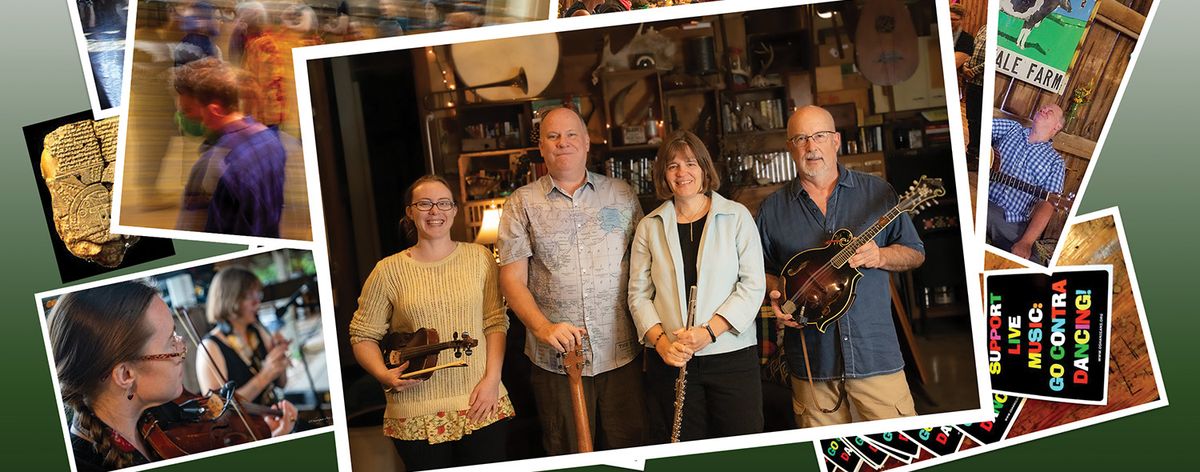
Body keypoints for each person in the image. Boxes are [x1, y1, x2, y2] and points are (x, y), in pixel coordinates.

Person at [757, 106, 925, 428]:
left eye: (819, 136)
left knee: (903, 452)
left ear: (836, 141)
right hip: (811, 363)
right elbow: (759, 272)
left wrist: (881, 257)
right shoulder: (772, 210)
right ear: (790, 147)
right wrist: (776, 293)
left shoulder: (877, 193)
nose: (811, 146)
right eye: (801, 138)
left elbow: (915, 253)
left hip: (875, 356)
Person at [498, 107, 645, 454]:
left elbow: (645, 268)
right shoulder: (521, 204)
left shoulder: (622, 194)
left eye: (571, 135)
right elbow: (512, 281)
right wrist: (543, 328)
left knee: (632, 449)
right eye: (552, 136)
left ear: (587, 142)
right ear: (542, 148)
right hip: (555, 361)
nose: (562, 143)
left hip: (621, 353)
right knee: (566, 451)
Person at [349, 175, 513, 470]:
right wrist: (383, 375)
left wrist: (492, 379)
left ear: (454, 210)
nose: (434, 211)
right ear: (410, 212)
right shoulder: (388, 271)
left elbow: (495, 322)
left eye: (443, 203)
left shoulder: (480, 258)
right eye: (424, 204)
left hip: (480, 401)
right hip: (415, 411)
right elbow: (362, 335)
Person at [50, 282, 295, 472]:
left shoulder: (158, 411)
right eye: (171, 342)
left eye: (177, 334)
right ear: (125, 374)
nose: (182, 349)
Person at [628, 131, 766, 442]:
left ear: (704, 167)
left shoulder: (736, 216)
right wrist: (662, 343)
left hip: (731, 355)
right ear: (663, 174)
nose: (682, 173)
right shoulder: (649, 226)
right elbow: (638, 295)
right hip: (672, 359)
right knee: (688, 454)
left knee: (742, 451)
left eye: (690, 163)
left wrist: (709, 332)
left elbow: (753, 285)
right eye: (672, 165)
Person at [172, 57, 288, 237]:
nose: (182, 119)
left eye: (187, 110)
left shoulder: (212, 165)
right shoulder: (270, 140)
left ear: (213, 109)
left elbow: (190, 236)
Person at [195, 267, 290, 407]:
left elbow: (282, 384)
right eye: (249, 296)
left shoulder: (257, 331)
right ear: (230, 300)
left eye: (258, 294)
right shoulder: (210, 347)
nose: (257, 302)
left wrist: (279, 361)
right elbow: (217, 409)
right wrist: (264, 376)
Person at [987, 104, 1066, 261]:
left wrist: (1026, 242)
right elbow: (980, 129)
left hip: (1011, 220)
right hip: (983, 199)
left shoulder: (1056, 162)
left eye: (1049, 111)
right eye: (1043, 108)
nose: (1043, 110)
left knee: (1034, 262)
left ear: (1057, 126)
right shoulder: (1012, 129)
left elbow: (1048, 203)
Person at [961, 24, 987, 168]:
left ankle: (979, 156)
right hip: (972, 82)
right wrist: (965, 66)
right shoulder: (984, 28)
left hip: (983, 83)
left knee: (981, 121)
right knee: (972, 119)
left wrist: (973, 70)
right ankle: (972, 152)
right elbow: (972, 51)